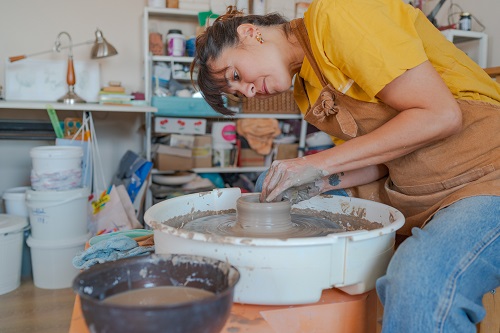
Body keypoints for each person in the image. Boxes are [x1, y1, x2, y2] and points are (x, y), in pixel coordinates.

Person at [191, 1, 500, 332]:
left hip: (485, 173)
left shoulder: (338, 15)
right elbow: (380, 161)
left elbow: (440, 115)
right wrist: (317, 183)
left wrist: (316, 163)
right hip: (416, 193)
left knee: (419, 281)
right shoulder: (306, 91)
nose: (249, 91)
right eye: (239, 94)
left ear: (250, 33)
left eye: (236, 75)